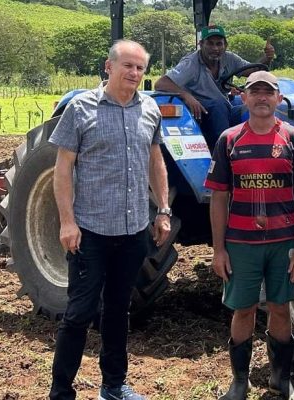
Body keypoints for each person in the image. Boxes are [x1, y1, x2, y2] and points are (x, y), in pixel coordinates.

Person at [48, 39, 171, 400]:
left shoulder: (149, 109)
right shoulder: (80, 108)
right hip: (90, 233)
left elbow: (155, 161)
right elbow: (62, 169)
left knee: (119, 310)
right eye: (128, 66)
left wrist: (163, 209)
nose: (134, 74)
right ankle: (60, 392)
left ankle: (114, 386)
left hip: (133, 232)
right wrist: (67, 222)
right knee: (79, 313)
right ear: (109, 66)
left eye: (140, 69)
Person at [204, 70, 294, 400]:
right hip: (241, 245)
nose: (262, 98)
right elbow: (220, 196)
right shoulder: (229, 140)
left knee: (281, 309)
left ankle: (281, 380)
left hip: (283, 244)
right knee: (244, 310)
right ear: (244, 98)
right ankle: (239, 383)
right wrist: (219, 249)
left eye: (269, 92)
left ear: (279, 99)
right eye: (256, 92)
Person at [155, 24, 275, 149]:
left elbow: (253, 71)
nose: (215, 48)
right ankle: (223, 152)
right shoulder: (191, 63)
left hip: (223, 109)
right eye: (210, 43)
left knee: (250, 108)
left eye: (219, 44)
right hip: (199, 113)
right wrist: (186, 96)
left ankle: (259, 151)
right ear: (201, 44)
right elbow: (161, 83)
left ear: (225, 45)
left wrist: (267, 58)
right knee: (219, 105)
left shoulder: (230, 58)